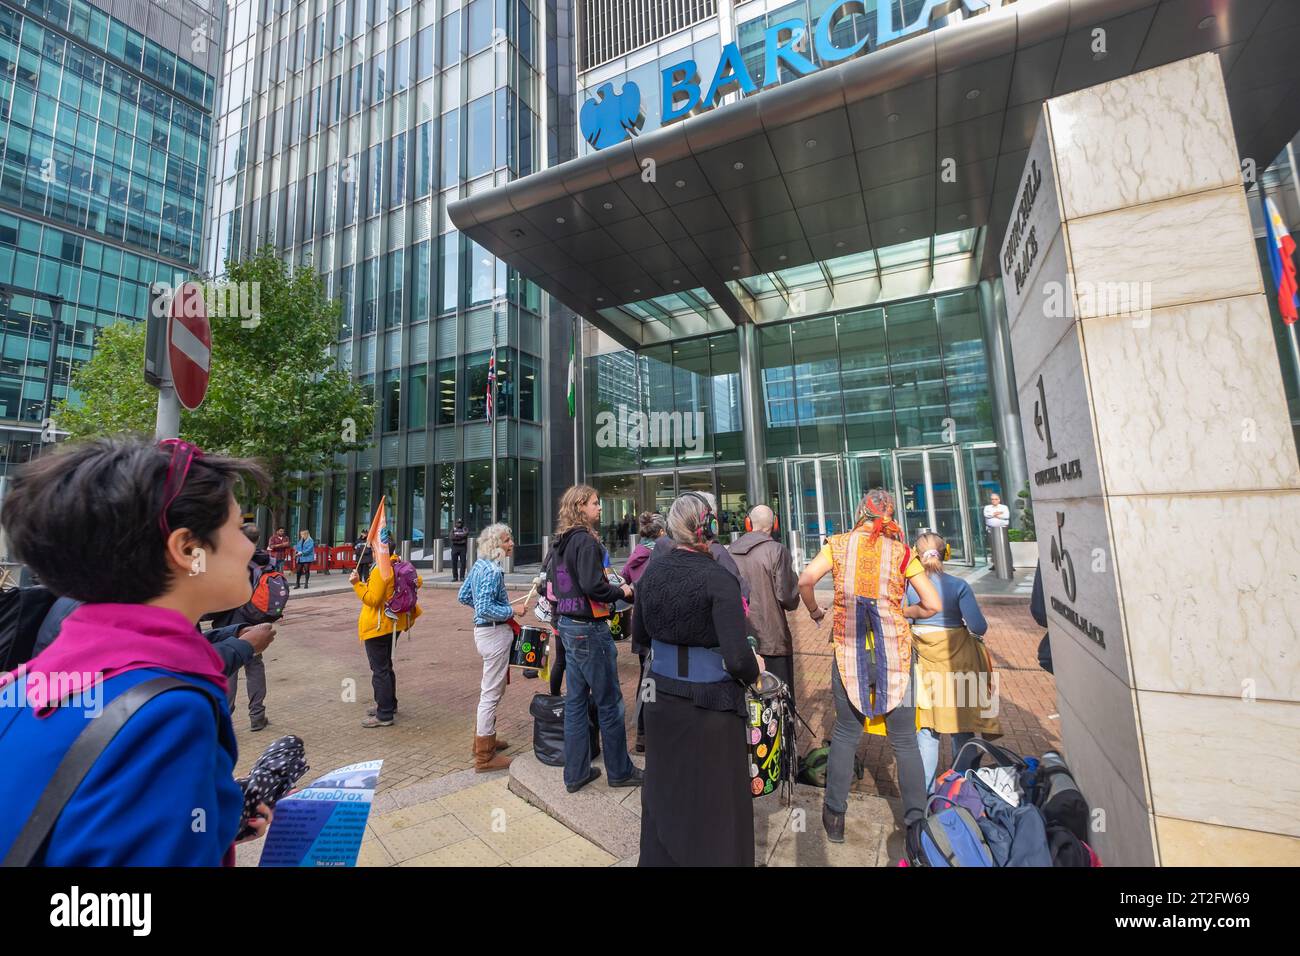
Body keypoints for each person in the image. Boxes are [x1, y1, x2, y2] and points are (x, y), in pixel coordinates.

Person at [0, 437, 274, 865]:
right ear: (188, 550)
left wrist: (211, 814)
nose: (251, 547)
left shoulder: (18, 687)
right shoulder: (167, 712)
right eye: (239, 527)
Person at [797, 488, 942, 844]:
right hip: (895, 654)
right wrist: (903, 612)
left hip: (849, 652)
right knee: (905, 741)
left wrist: (816, 611)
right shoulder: (903, 551)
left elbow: (805, 580)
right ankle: (915, 825)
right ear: (890, 514)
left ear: (861, 511)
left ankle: (835, 817)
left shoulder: (839, 544)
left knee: (846, 734)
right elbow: (933, 603)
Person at [633, 493, 761, 866]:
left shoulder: (652, 574)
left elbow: (640, 637)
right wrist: (755, 669)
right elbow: (738, 659)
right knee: (716, 801)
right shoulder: (718, 578)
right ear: (708, 527)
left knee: (665, 789)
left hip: (660, 698)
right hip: (710, 708)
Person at [549, 484, 641, 794]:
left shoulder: (559, 543)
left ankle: (575, 773)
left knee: (575, 702)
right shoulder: (585, 542)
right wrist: (621, 592)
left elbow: (554, 585)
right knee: (609, 702)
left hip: (569, 626)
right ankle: (619, 770)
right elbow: (592, 585)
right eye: (594, 503)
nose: (599, 508)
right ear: (580, 507)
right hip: (590, 628)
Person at [907, 532, 1001, 787]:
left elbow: (905, 622)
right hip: (961, 665)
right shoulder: (959, 586)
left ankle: (925, 795)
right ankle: (961, 788)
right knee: (964, 727)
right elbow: (978, 627)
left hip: (924, 667)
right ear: (946, 553)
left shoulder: (910, 588)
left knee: (927, 732)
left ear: (915, 554)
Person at [457, 523, 518, 771]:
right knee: (491, 694)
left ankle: (486, 739)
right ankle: (484, 756)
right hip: (493, 634)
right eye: (506, 540)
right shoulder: (492, 571)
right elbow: (483, 608)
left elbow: (463, 596)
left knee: (492, 690)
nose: (511, 543)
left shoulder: (479, 566)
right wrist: (512, 610)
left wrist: (488, 611)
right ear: (496, 546)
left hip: (484, 633)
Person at [729, 504, 801, 709]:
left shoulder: (730, 551)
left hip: (740, 636)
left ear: (748, 523)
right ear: (775, 524)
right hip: (773, 638)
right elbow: (788, 597)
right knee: (779, 703)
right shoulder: (777, 550)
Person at [210, 522, 277, 732]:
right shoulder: (267, 560)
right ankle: (257, 715)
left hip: (228, 621)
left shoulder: (227, 559)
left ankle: (225, 716)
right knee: (255, 667)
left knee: (229, 668)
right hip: (255, 621)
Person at [349, 541, 423, 728]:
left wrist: (357, 584)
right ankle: (389, 704)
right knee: (386, 666)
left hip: (378, 625)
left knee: (380, 669)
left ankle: (384, 714)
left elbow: (372, 600)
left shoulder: (380, 569)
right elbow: (418, 581)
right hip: (394, 623)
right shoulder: (398, 563)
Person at [623, 511, 664, 753]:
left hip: (641, 625)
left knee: (645, 677)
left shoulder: (636, 555)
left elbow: (626, 581)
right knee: (661, 676)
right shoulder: (661, 555)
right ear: (660, 532)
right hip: (660, 626)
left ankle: (642, 731)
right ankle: (652, 730)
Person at [983, 493, 1010, 567]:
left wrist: (993, 515)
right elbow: (986, 515)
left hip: (1002, 530)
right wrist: (998, 514)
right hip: (991, 530)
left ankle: (1009, 565)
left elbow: (1006, 516)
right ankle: (995, 564)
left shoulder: (1004, 507)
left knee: (1005, 547)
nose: (994, 501)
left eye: (995, 499)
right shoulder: (987, 507)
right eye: (992, 499)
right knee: (993, 547)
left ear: (999, 500)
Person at [450, 518, 469, 582]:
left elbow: (465, 534)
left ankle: (462, 577)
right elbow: (451, 537)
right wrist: (461, 536)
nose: (459, 524)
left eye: (460, 522)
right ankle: (455, 577)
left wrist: (457, 535)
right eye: (458, 522)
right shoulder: (453, 529)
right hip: (455, 547)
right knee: (454, 563)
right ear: (456, 523)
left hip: (462, 547)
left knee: (463, 563)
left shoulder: (465, 528)